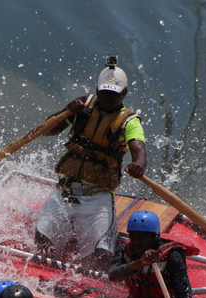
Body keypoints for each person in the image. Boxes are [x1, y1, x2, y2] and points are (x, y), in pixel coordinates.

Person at [34, 55, 148, 271]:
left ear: (123, 93)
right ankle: (45, 277)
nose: (106, 97)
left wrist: (138, 164)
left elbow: (139, 149)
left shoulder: (130, 121)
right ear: (96, 89)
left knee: (99, 258)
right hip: (66, 189)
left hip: (98, 196)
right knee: (42, 241)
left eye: (113, 94)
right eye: (103, 92)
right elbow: (47, 130)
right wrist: (65, 112)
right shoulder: (82, 107)